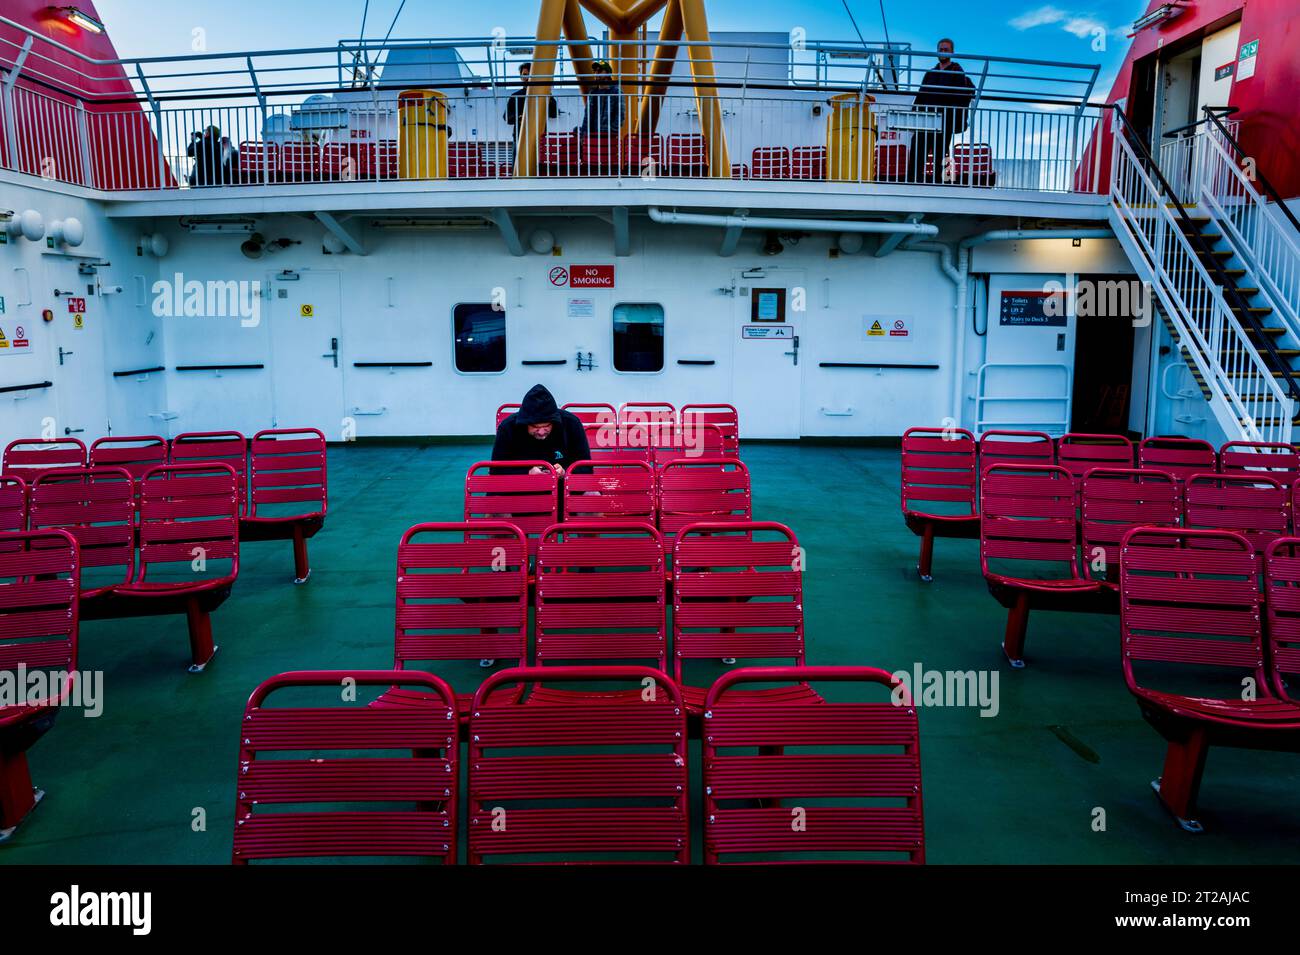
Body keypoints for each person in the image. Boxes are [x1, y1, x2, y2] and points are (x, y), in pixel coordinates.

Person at [907, 38, 975, 184]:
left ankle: (938, 183)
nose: (943, 52)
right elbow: (921, 96)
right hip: (926, 121)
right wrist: (913, 116)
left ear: (952, 53)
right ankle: (913, 182)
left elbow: (961, 96)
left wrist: (953, 118)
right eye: (941, 49)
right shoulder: (930, 74)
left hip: (945, 121)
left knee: (940, 154)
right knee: (917, 149)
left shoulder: (957, 72)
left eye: (946, 50)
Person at [491, 383, 592, 477]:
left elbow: (586, 467)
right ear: (525, 423)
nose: (541, 432)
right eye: (535, 427)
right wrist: (527, 472)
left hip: (563, 487)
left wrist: (565, 471)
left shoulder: (571, 423)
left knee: (592, 494)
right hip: (521, 488)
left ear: (554, 422)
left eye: (546, 426)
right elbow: (496, 470)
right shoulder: (508, 428)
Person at [503, 62, 560, 149]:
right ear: (521, 77)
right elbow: (506, 117)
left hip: (539, 138)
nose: (528, 77)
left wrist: (548, 95)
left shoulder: (544, 94)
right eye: (525, 74)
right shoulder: (515, 96)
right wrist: (519, 117)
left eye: (531, 74)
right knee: (518, 162)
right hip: (520, 138)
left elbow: (554, 113)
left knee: (537, 162)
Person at [580, 60, 623, 136]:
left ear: (608, 73)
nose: (596, 73)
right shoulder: (592, 93)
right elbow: (587, 116)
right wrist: (584, 134)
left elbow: (620, 115)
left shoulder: (616, 91)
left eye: (599, 71)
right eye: (595, 71)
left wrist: (611, 130)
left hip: (609, 136)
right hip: (592, 135)